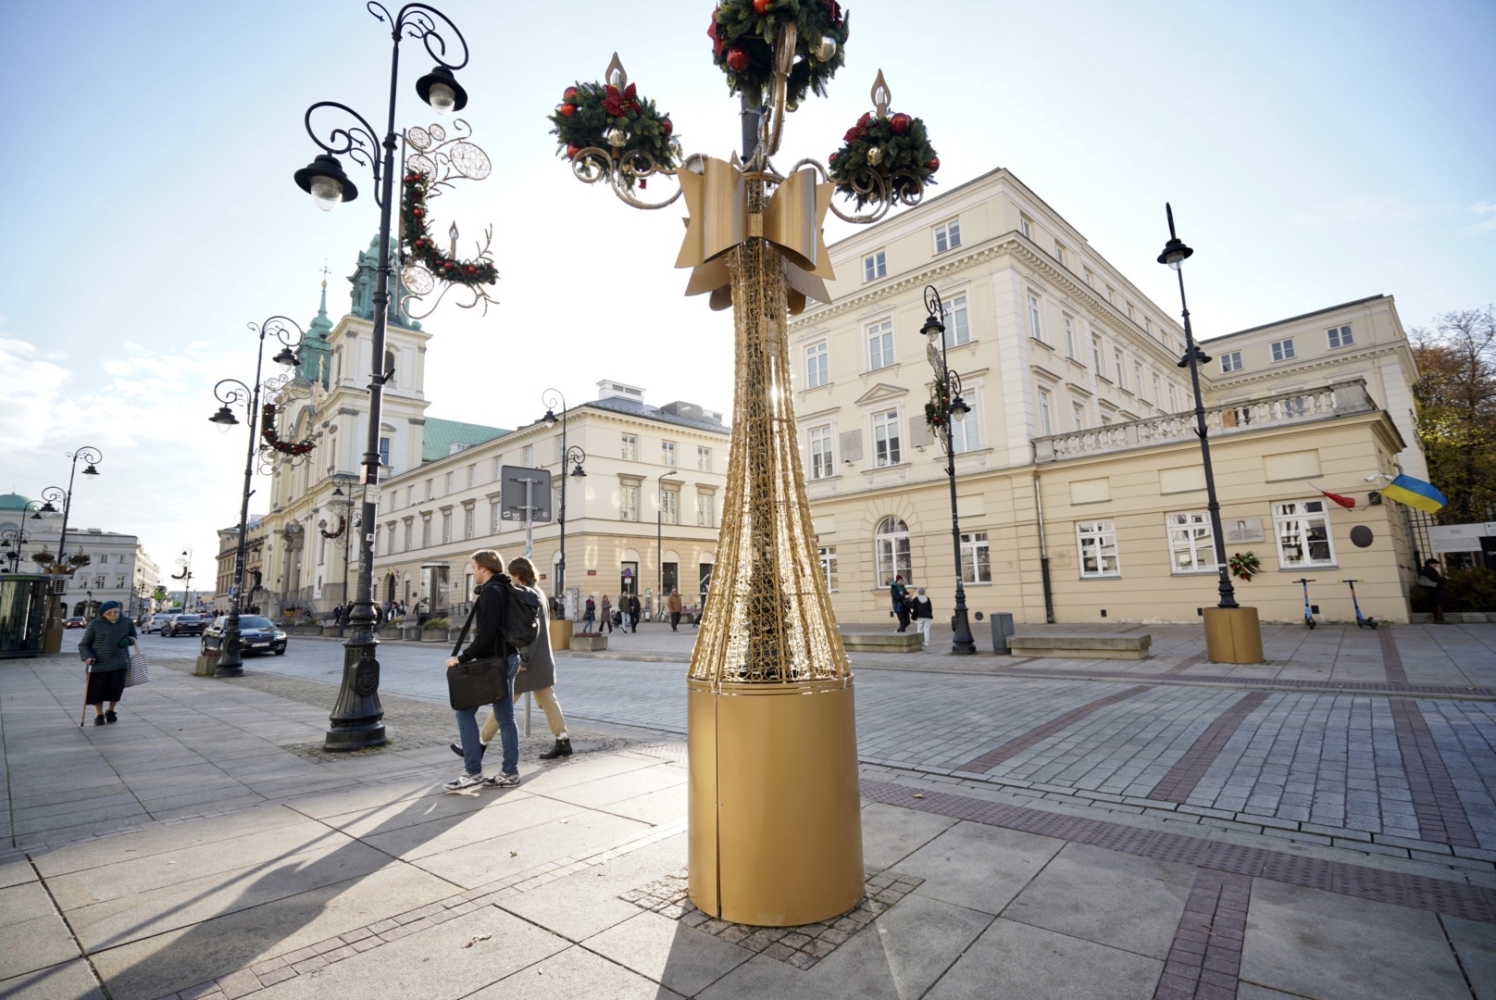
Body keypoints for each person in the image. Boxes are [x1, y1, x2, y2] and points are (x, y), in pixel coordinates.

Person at [443, 550, 520, 792]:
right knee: (506, 718)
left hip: (495, 662)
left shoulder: (491, 593)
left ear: (484, 568)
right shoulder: (505, 588)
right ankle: (509, 772)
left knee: (464, 711)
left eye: (474, 567)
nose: (473, 571)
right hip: (507, 658)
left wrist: (461, 658)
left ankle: (473, 772)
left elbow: (485, 635)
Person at [496, 557, 572, 759]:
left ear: (519, 575)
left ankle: (480, 743)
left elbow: (531, 631)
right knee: (548, 701)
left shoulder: (529, 595)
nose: (511, 579)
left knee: (502, 699)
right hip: (540, 659)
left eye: (512, 575)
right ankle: (563, 740)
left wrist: (524, 660)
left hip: (529, 660)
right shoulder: (539, 592)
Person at [78, 600, 136, 725]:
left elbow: (134, 637)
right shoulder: (95, 624)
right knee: (97, 691)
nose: (113, 615)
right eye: (109, 613)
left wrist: (128, 640)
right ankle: (98, 715)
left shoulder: (127, 622)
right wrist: (87, 657)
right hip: (98, 664)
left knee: (115, 690)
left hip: (120, 662)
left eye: (116, 612)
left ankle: (111, 710)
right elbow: (84, 645)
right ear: (103, 614)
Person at [1423, 558, 1449, 624]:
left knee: (1435, 605)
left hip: (1432, 589)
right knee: (1439, 604)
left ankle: (1436, 619)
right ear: (1430, 564)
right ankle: (1441, 620)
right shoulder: (1429, 570)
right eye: (1435, 564)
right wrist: (1444, 578)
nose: (1436, 566)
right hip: (1436, 589)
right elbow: (1434, 578)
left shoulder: (1427, 570)